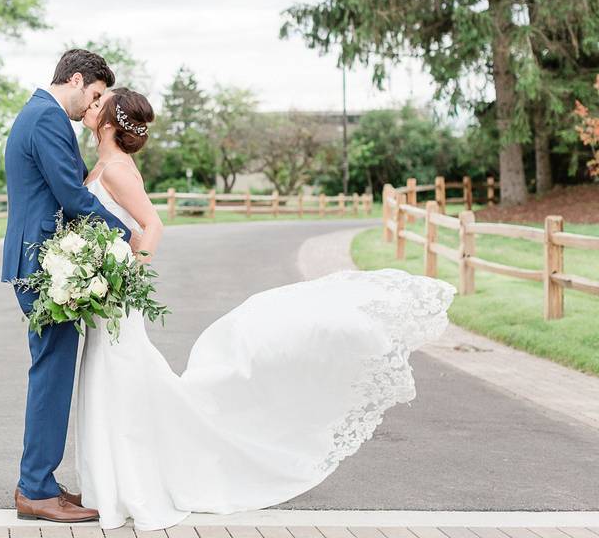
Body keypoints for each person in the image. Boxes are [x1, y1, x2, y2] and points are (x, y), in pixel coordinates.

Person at [71, 87, 457, 530]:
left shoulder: (117, 168)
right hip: (102, 290)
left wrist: (130, 275)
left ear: (108, 122)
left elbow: (152, 225)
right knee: (109, 379)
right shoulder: (103, 164)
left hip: (116, 296)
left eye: (99, 102)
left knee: (122, 379)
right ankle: (110, 483)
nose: (91, 104)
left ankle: (132, 485)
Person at [1, 49, 138, 522]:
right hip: (42, 266)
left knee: (53, 372)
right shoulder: (46, 119)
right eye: (95, 95)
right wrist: (125, 237)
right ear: (76, 80)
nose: (93, 108)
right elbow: (72, 195)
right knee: (51, 375)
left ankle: (41, 480)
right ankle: (35, 489)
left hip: (42, 261)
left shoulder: (39, 115)